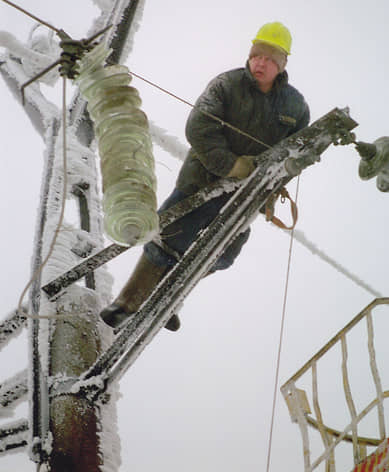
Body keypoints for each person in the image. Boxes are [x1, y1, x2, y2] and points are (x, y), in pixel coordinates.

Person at [100, 21, 310, 332]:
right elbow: (198, 127)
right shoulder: (226, 85)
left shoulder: (295, 105)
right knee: (167, 237)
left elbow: (297, 154)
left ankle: (166, 299)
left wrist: (270, 186)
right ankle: (128, 303)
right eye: (256, 56)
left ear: (282, 64)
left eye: (269, 59)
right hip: (202, 182)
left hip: (246, 196)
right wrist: (231, 165)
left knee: (222, 253)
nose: (260, 63)